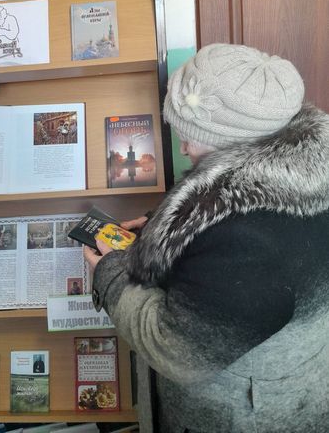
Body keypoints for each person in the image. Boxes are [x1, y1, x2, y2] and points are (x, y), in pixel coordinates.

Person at [84, 43, 329, 433]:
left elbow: (173, 348)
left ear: (240, 140)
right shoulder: (302, 175)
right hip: (289, 377)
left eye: (195, 137)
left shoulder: (246, 241)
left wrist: (110, 274)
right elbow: (219, 218)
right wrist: (164, 229)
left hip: (246, 415)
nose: (182, 147)